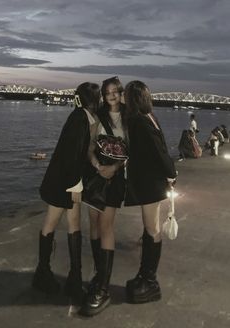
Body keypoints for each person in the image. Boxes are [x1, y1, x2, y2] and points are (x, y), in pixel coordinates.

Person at [32, 82, 101, 307]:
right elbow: (72, 154)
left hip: (64, 181)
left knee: (55, 223)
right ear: (94, 99)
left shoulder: (83, 116)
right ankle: (69, 278)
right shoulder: (80, 118)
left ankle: (46, 274)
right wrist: (74, 185)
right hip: (67, 182)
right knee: (68, 226)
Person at [123, 80, 177, 304]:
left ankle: (150, 281)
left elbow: (157, 151)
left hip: (150, 183)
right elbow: (162, 148)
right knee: (150, 227)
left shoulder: (138, 121)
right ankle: (144, 275)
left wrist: (171, 173)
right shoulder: (150, 118)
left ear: (131, 99)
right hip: (152, 181)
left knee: (152, 228)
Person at [80, 76, 127, 316]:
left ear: (121, 93)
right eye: (107, 92)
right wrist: (98, 166)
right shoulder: (98, 117)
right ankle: (100, 274)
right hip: (96, 177)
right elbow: (89, 147)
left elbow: (133, 151)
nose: (111, 95)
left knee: (107, 225)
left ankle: (103, 288)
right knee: (94, 225)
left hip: (116, 179)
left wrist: (115, 168)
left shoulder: (129, 119)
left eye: (115, 91)